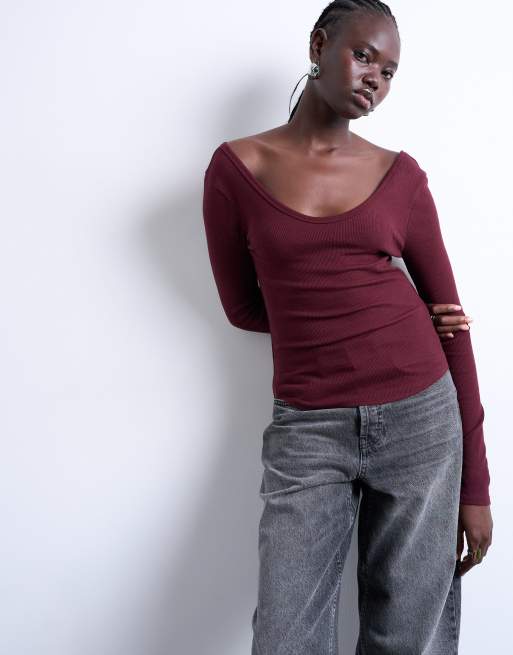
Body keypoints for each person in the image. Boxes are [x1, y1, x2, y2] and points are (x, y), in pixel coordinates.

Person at [202, 1, 493, 653]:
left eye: (388, 72)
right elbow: (243, 307)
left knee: (405, 635)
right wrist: (342, 322)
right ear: (318, 45)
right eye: (363, 56)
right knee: (286, 634)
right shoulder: (236, 170)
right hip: (309, 428)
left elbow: (451, 325)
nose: (374, 80)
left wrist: (475, 485)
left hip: (421, 419)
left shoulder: (400, 176)